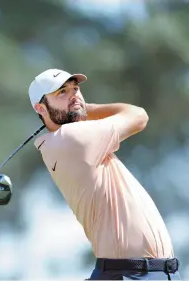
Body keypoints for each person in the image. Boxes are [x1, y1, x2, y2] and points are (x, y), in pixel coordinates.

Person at [28, 68, 181, 280]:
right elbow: (139, 116)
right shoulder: (72, 138)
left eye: (76, 89)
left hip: (147, 273)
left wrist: (78, 108)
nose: (74, 96)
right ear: (40, 108)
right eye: (62, 92)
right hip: (128, 274)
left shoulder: (64, 140)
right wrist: (88, 109)